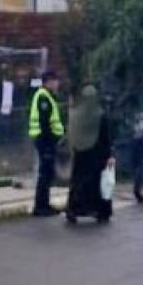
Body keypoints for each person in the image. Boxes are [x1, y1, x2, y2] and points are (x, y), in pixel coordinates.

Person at [65, 83, 115, 224]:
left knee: (78, 183)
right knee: (98, 184)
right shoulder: (100, 115)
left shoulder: (76, 114)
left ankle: (73, 209)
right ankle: (100, 211)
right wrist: (109, 155)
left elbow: (72, 134)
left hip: (80, 155)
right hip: (97, 156)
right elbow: (106, 137)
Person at [28, 71, 65, 217]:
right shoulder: (43, 97)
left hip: (47, 140)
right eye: (55, 81)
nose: (57, 84)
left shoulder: (47, 96)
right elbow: (45, 122)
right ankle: (40, 206)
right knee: (45, 173)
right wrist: (49, 143)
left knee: (48, 173)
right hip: (45, 140)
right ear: (48, 81)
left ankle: (44, 203)